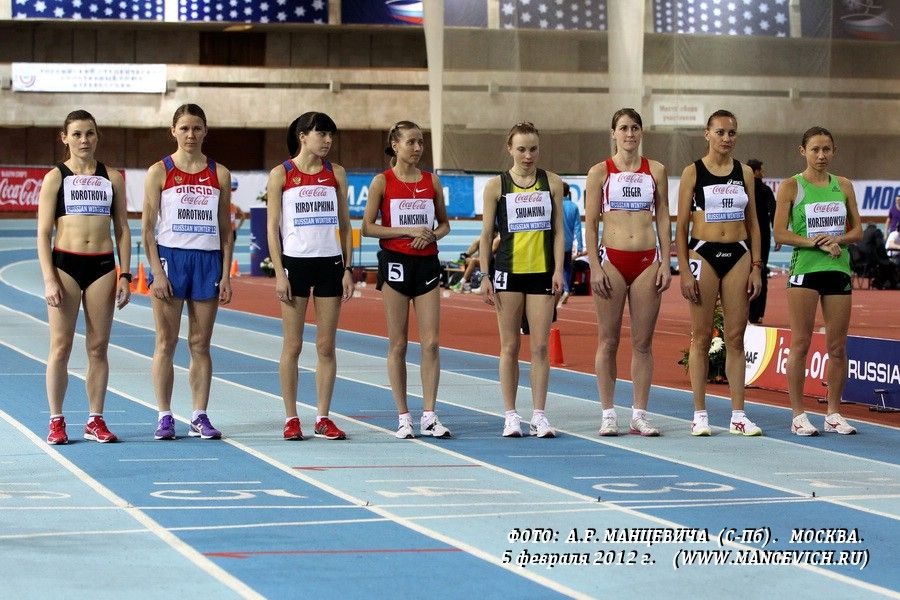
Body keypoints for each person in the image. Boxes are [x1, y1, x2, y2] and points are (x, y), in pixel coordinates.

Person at [37, 110, 131, 444]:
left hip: (102, 266)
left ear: (97, 136)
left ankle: (95, 419)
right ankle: (56, 420)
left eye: (90, 133)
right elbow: (43, 233)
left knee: (98, 347)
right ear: (65, 138)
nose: (84, 140)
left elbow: (122, 229)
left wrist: (125, 274)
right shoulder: (56, 177)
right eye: (76, 134)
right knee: (61, 346)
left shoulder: (112, 177)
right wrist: (49, 279)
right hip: (65, 265)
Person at [142, 104, 234, 440]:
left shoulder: (219, 173)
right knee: (166, 342)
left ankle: (199, 415)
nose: (190, 134)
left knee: (200, 344)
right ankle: (164, 415)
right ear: (173, 131)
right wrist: (157, 272)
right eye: (184, 128)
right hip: (171, 260)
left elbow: (226, 230)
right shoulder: (159, 171)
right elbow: (147, 229)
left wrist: (226, 274)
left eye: (196, 128)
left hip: (207, 261)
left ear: (205, 131)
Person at [361, 121, 452, 439]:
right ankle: (403, 417)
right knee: (398, 343)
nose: (417, 148)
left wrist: (431, 235)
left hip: (427, 264)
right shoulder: (382, 182)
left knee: (431, 343)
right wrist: (406, 231)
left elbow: (444, 225)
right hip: (395, 264)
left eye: (421, 142)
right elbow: (367, 227)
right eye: (411, 142)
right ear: (395, 145)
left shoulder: (431, 181)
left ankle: (430, 415)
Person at [266, 112, 354, 441]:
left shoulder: (336, 173)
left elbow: (345, 225)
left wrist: (347, 268)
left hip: (330, 263)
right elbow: (272, 228)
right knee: (292, 345)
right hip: (295, 264)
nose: (328, 140)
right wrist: (279, 273)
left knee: (326, 346)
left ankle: (322, 417)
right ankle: (291, 418)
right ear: (303, 136)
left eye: (331, 135)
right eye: (322, 134)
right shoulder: (281, 174)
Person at [675, 109, 763, 437]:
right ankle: (700, 414)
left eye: (732, 133)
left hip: (739, 254)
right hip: (703, 252)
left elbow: (754, 223)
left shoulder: (744, 172)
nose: (727, 138)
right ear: (707, 134)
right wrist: (684, 271)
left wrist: (757, 267)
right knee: (700, 337)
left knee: (736, 338)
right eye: (721, 132)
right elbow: (680, 227)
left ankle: (738, 415)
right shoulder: (693, 172)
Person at [584, 108, 671, 437]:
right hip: (611, 261)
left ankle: (639, 414)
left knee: (642, 343)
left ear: (641, 132)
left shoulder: (656, 170)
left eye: (635, 128)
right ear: (613, 133)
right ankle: (608, 413)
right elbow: (590, 223)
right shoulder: (599, 172)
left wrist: (666, 262)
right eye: (623, 128)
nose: (630, 134)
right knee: (608, 340)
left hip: (647, 261)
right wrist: (594, 265)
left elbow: (663, 216)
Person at [773, 126, 863, 436]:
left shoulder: (844, 185)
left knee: (837, 347)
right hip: (805, 271)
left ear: (834, 151)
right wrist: (816, 242)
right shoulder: (791, 186)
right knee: (800, 343)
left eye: (827, 149)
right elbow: (780, 233)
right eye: (815, 149)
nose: (821, 155)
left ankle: (833, 413)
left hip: (837, 270)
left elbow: (857, 231)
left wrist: (837, 239)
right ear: (803, 151)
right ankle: (798, 415)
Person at [479, 121, 565, 438]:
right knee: (510, 346)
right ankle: (511, 415)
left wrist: (559, 270)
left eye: (533, 149)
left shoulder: (552, 182)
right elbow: (486, 234)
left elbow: (559, 232)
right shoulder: (496, 186)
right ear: (510, 149)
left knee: (540, 347)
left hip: (542, 273)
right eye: (522, 149)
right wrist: (485, 274)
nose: (528, 156)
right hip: (508, 273)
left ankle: (539, 415)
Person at [746, 159, 775, 324]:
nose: (763, 173)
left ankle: (740, 312)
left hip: (743, 236)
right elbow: (774, 211)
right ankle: (757, 314)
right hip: (762, 237)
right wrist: (777, 233)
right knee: (761, 273)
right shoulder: (765, 190)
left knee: (740, 273)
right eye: (761, 170)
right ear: (755, 171)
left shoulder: (741, 189)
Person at [559, 182, 584, 306]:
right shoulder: (573, 207)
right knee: (567, 267)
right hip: (568, 242)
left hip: (555, 242)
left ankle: (558, 290)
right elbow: (578, 227)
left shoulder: (554, 205)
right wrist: (580, 246)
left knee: (555, 266)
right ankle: (567, 289)